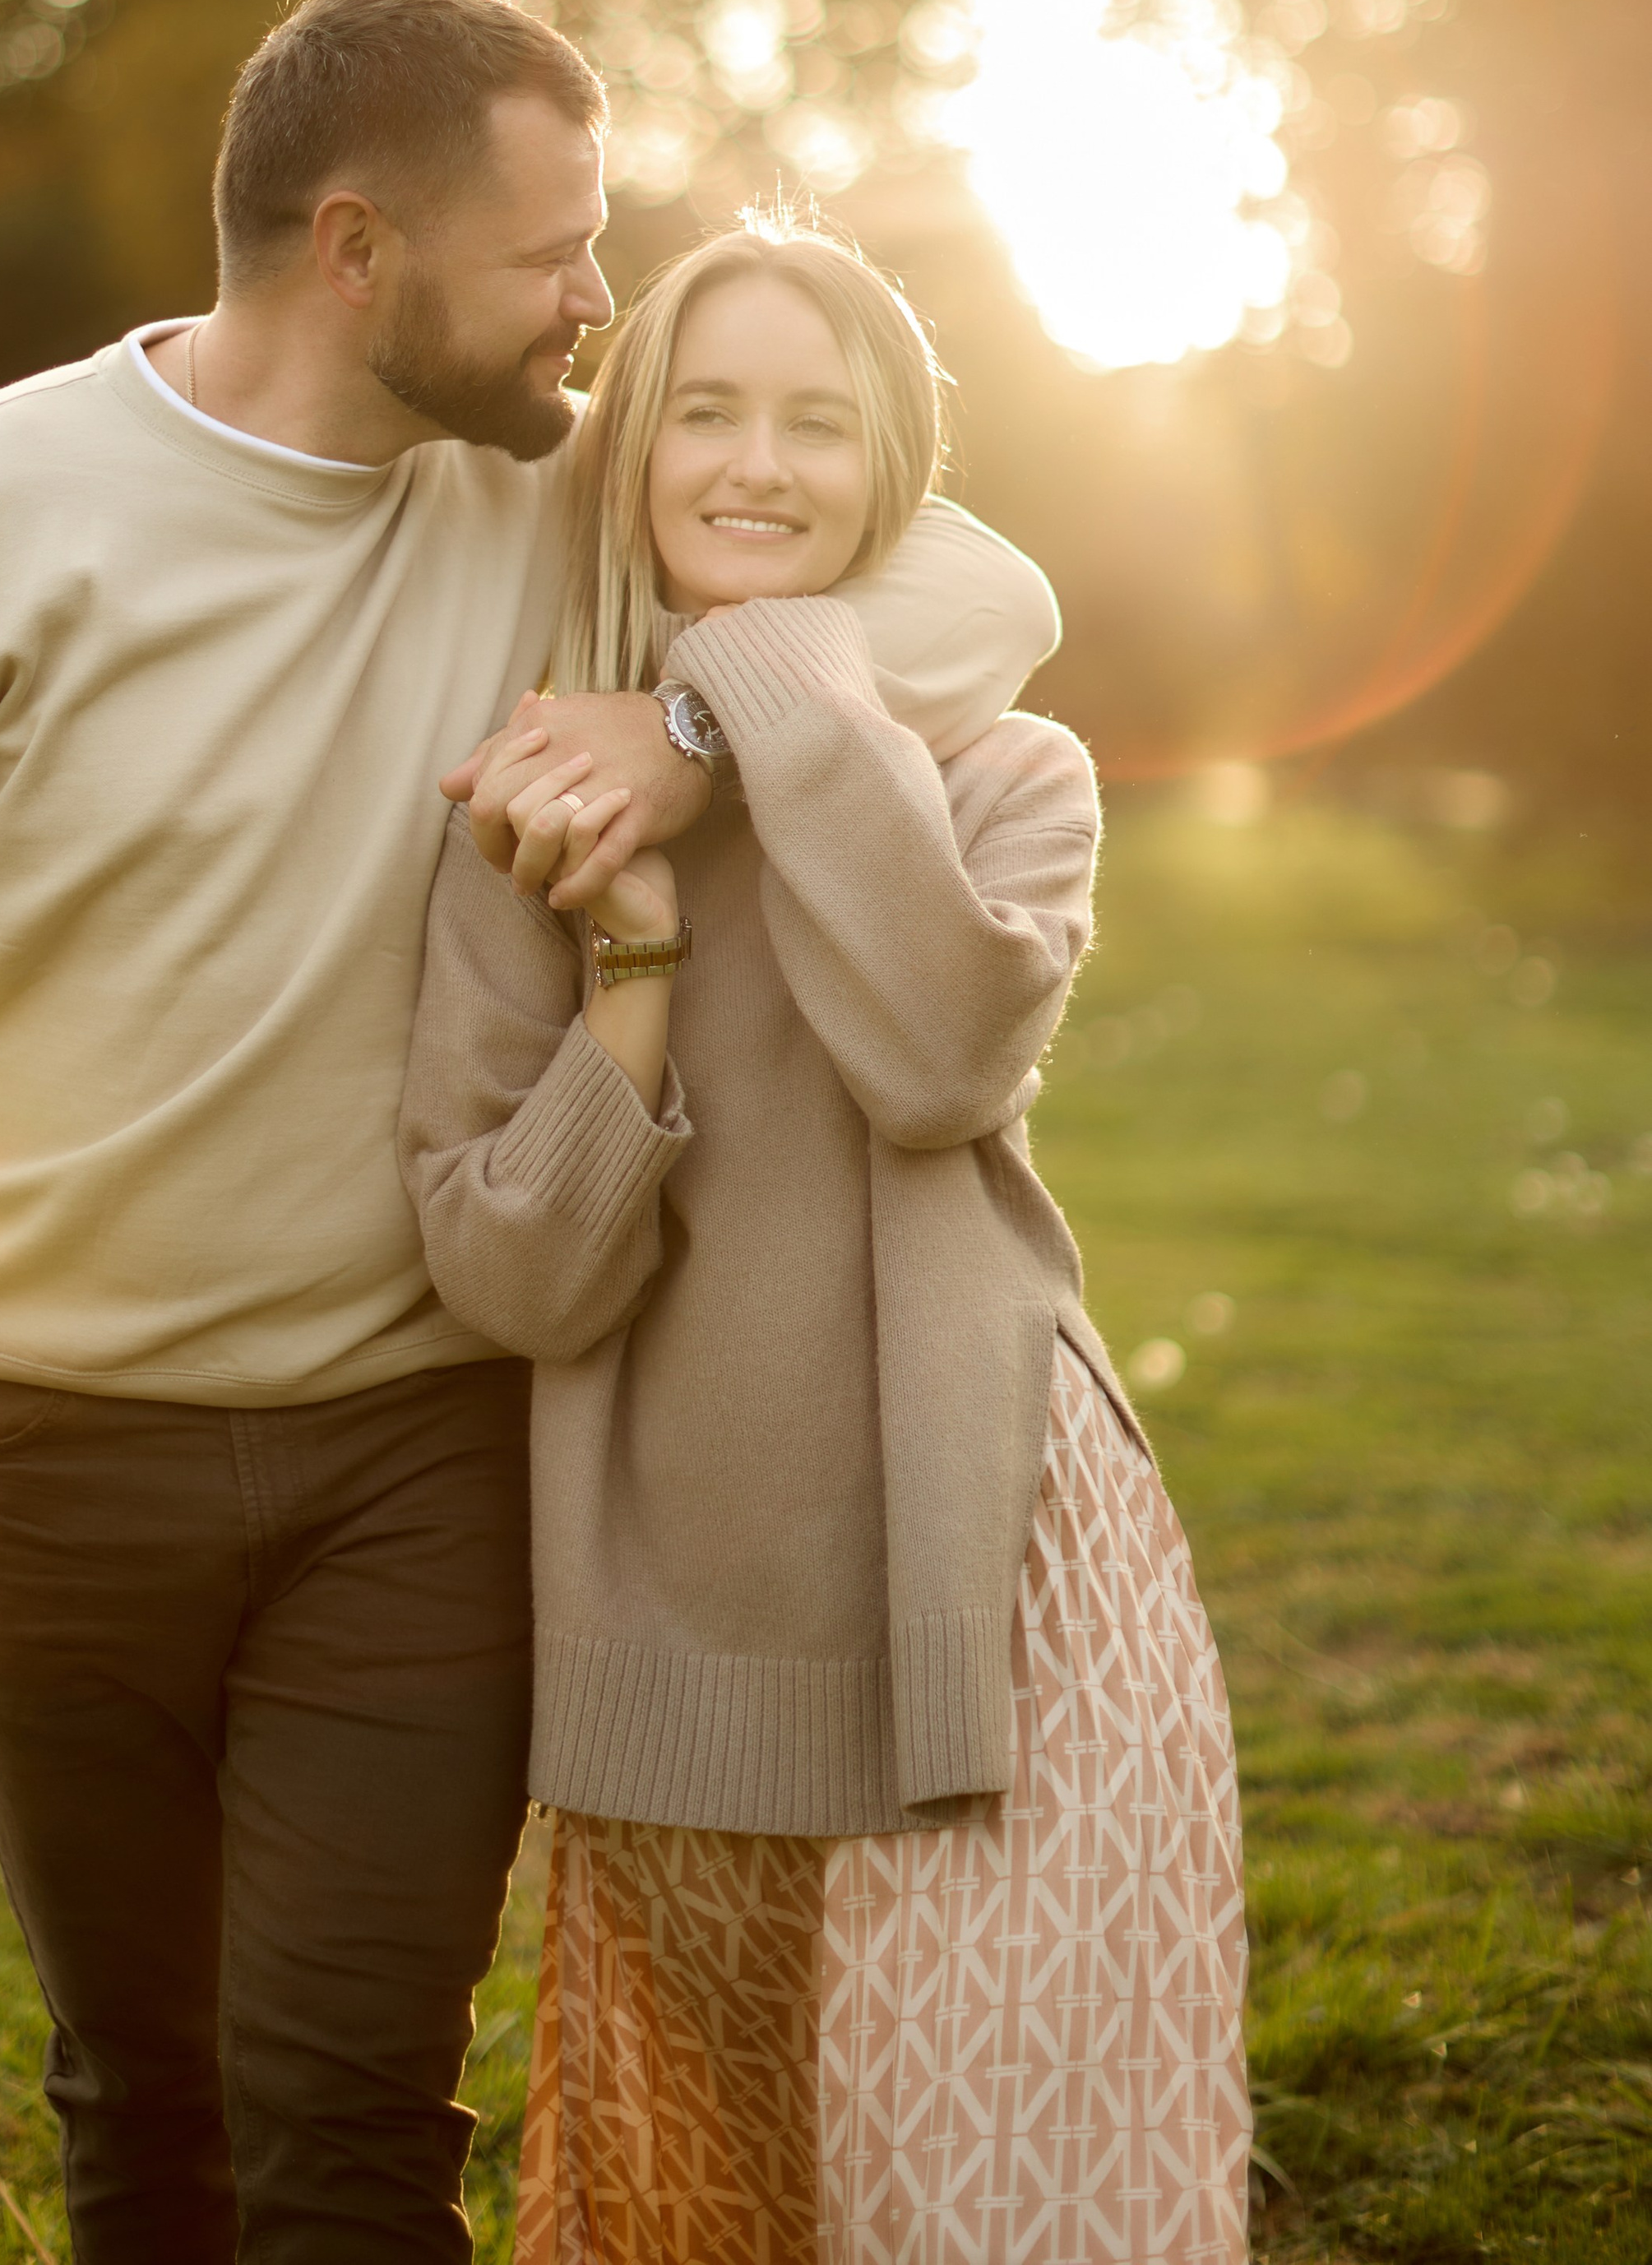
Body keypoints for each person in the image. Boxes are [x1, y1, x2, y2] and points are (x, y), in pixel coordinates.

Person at [0, 0, 1064, 2265]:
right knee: (147, 2103)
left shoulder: (551, 493)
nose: (598, 308)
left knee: (347, 2108)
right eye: (556, 257)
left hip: (415, 1443)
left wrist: (698, 730)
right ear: (357, 249)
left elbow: (985, 582)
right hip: (39, 1439)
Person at [401, 218, 1251, 2263]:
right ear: (635, 451)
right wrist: (629, 953)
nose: (756, 466)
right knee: (720, 2218)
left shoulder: (1005, 777)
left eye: (816, 424)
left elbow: (937, 1058)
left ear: (891, 475)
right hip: (672, 1633)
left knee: (1000, 2211)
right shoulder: (531, 816)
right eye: (703, 411)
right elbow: (510, 1271)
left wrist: (729, 707)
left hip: (997, 1589)